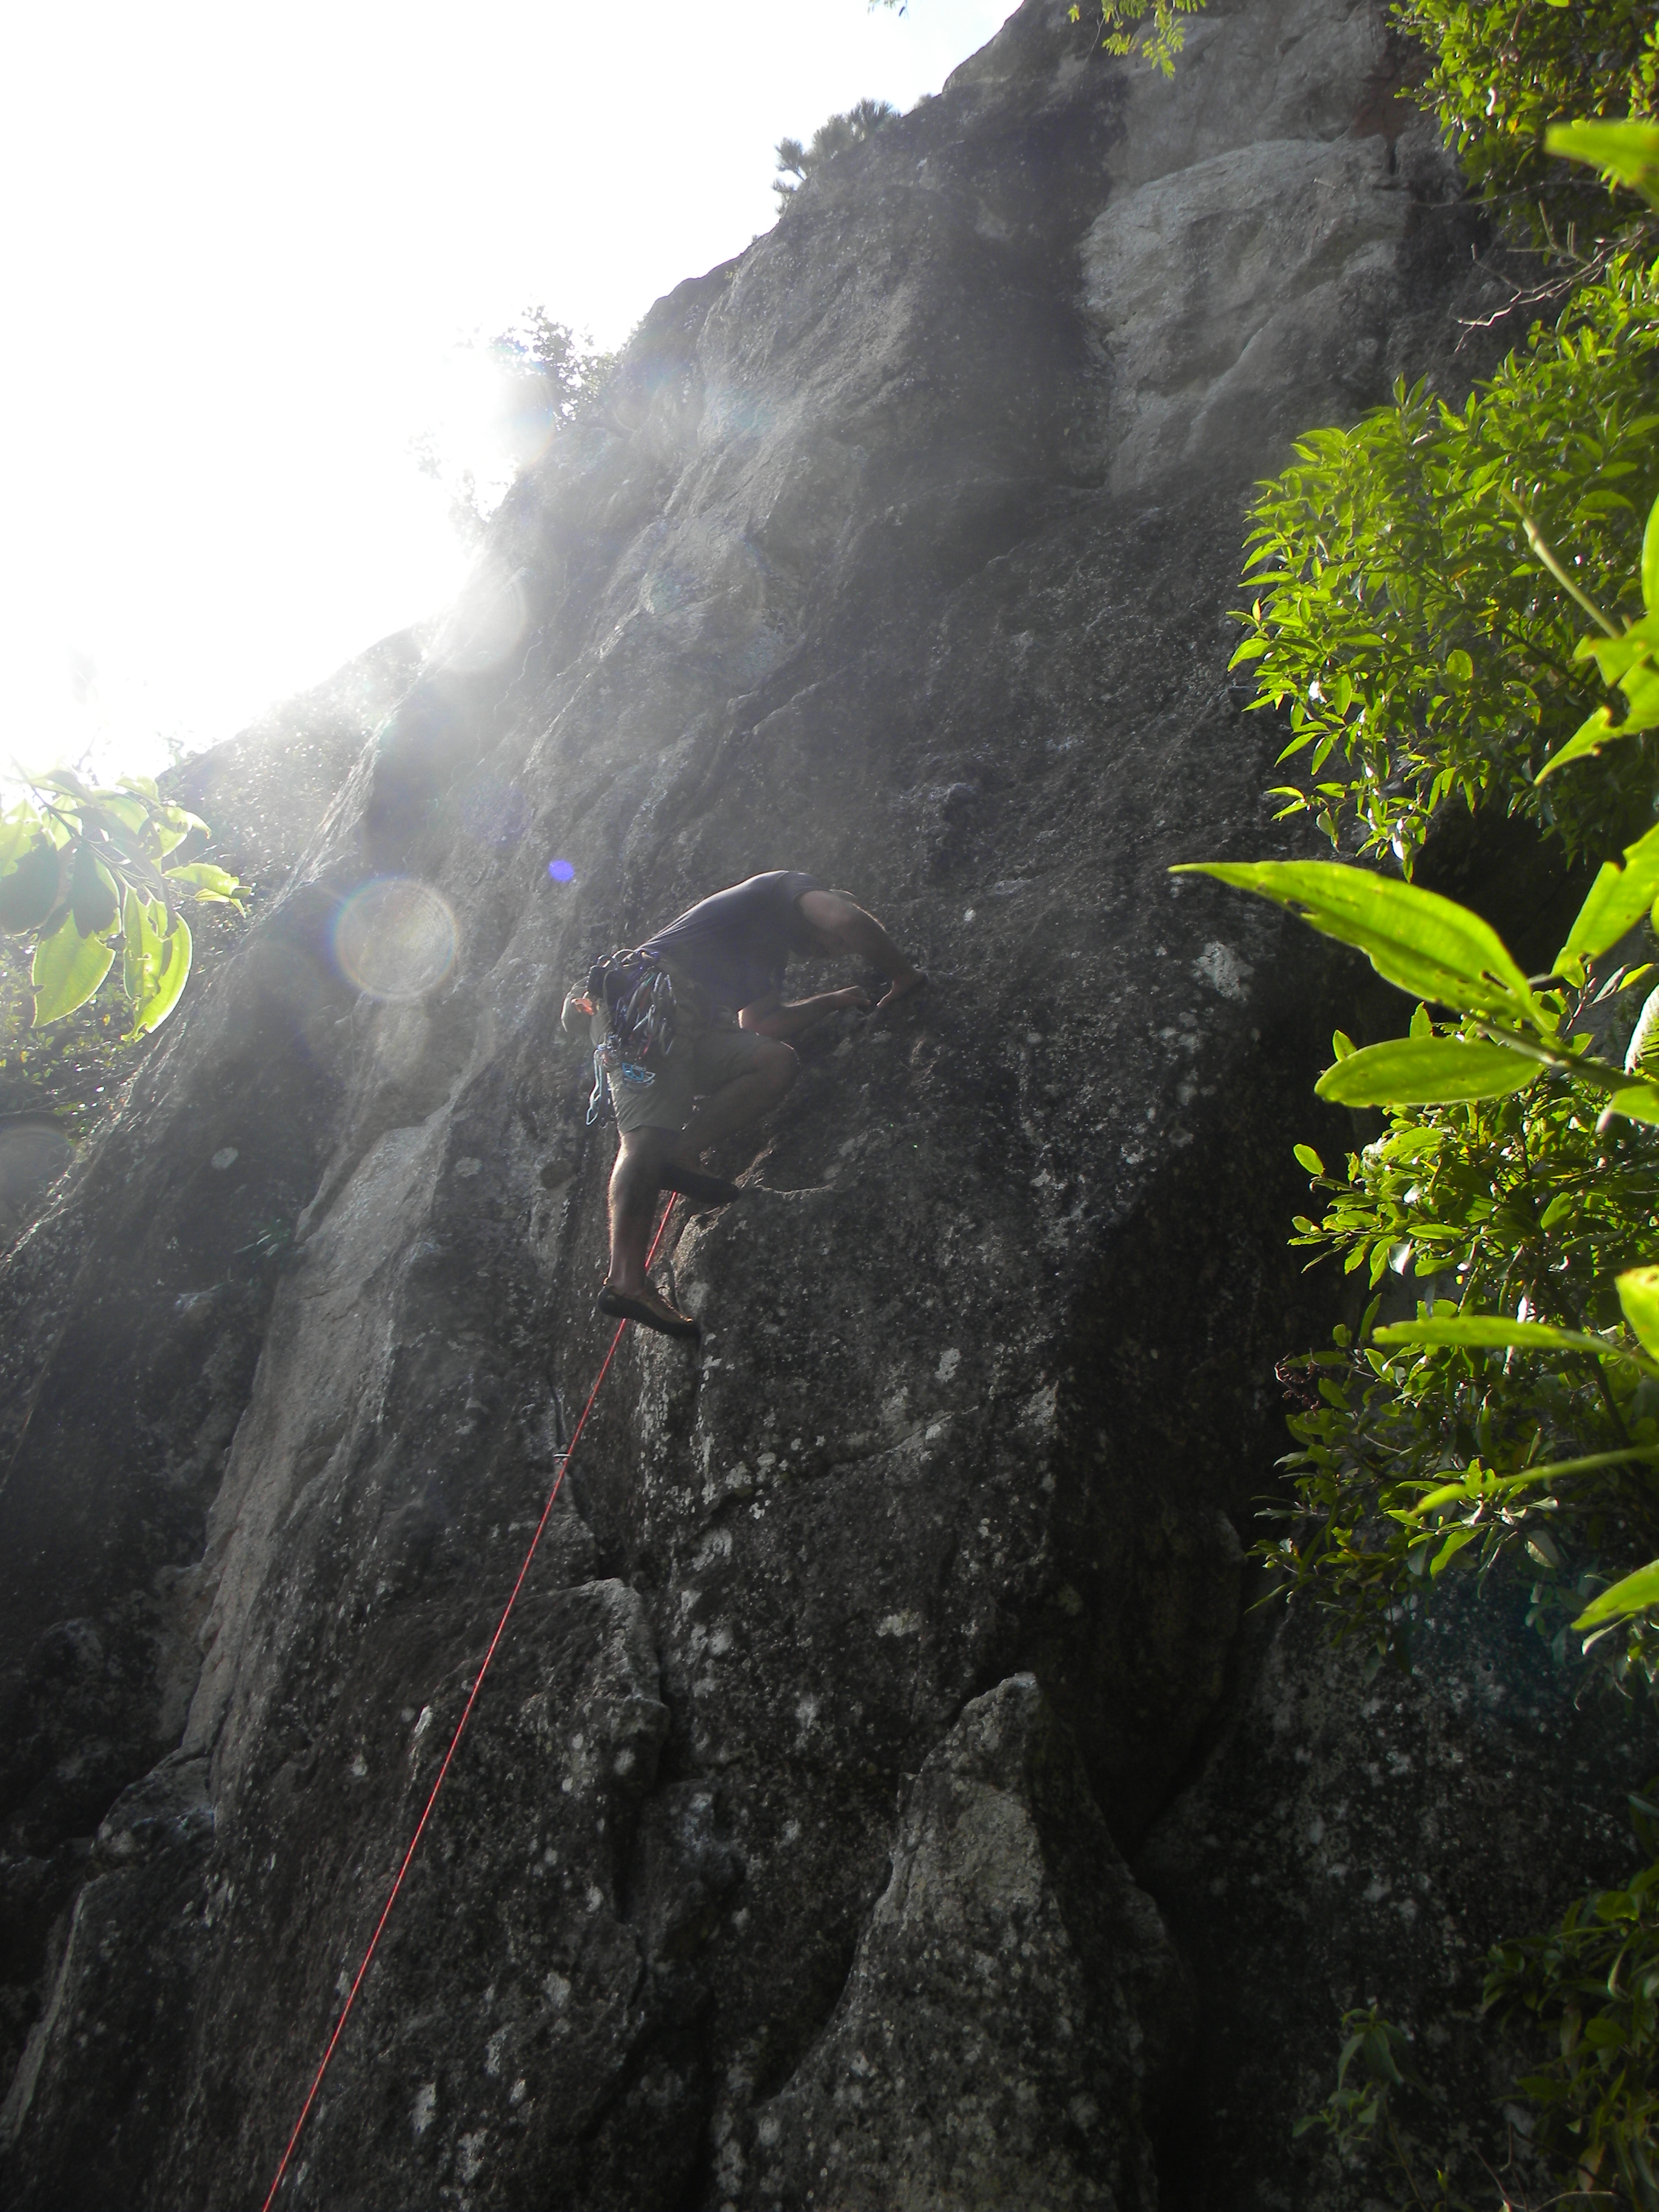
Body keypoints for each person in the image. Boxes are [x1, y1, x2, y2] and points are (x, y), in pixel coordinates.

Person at [564, 870, 923, 1339]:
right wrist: (904, 975)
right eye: (833, 942)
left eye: (838, 952)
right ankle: (625, 1282)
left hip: (692, 1023)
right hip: (646, 993)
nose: (833, 948)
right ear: (817, 903)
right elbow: (847, 919)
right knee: (645, 1137)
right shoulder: (781, 888)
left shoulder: (768, 954)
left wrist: (831, 1001)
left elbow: (762, 1024)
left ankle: (682, 1152)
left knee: (773, 1062)